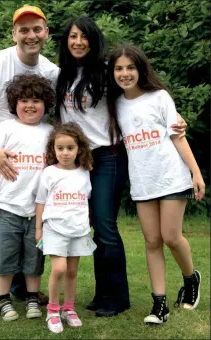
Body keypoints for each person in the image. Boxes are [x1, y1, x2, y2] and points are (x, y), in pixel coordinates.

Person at [54, 16, 187, 317]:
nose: (78, 42)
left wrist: (174, 121)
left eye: (84, 37)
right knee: (87, 226)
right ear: (66, 41)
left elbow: (135, 95)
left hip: (107, 156)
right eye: (73, 36)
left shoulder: (105, 73)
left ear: (93, 40)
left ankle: (116, 298)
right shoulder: (61, 75)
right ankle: (102, 295)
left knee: (104, 225)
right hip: (76, 160)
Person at [0, 5, 59, 320]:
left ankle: (21, 289)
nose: (30, 35)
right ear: (14, 33)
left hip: (32, 169)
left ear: (46, 32)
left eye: (36, 29)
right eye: (24, 29)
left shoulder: (50, 71)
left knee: (28, 228)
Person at [106, 44, 205, 325]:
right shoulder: (114, 105)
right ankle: (159, 305)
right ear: (112, 73)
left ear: (141, 69)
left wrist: (196, 173)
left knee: (171, 237)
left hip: (171, 176)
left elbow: (177, 136)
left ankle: (190, 278)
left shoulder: (159, 97)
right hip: (143, 181)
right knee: (152, 241)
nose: (125, 73)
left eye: (130, 67)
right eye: (118, 68)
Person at [0, 73, 55, 322]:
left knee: (34, 258)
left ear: (46, 103)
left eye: (36, 100)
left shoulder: (50, 132)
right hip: (8, 207)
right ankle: (3, 300)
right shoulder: (5, 128)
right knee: (4, 257)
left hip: (37, 212)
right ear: (15, 103)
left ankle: (32, 297)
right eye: (24, 100)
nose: (30, 105)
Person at [35, 123, 96, 333]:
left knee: (71, 271)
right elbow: (40, 201)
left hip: (78, 229)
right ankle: (52, 310)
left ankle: (68, 309)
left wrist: (87, 224)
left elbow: (85, 201)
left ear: (79, 149)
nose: (65, 153)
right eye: (60, 148)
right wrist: (38, 228)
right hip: (54, 227)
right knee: (59, 269)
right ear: (53, 149)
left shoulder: (84, 173)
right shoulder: (49, 173)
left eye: (70, 148)